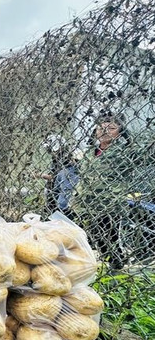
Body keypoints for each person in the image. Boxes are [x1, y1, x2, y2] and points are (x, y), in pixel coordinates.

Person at [73, 114, 135, 268]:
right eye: (100, 128)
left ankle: (117, 268)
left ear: (120, 133)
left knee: (109, 243)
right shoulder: (90, 152)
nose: (104, 131)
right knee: (82, 240)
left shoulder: (125, 153)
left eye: (111, 128)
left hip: (109, 206)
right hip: (83, 205)